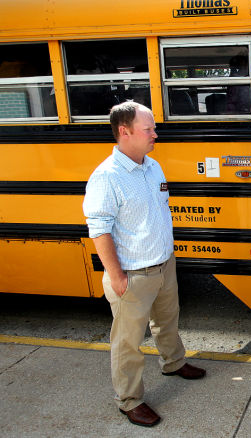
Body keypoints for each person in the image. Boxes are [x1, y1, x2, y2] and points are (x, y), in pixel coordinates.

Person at [83, 101, 206, 427]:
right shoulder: (106, 177)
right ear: (125, 132)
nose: (155, 133)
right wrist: (117, 276)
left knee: (167, 322)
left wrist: (168, 256)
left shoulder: (152, 167)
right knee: (127, 344)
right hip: (132, 275)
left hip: (163, 265)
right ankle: (129, 400)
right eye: (148, 128)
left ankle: (174, 363)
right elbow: (99, 230)